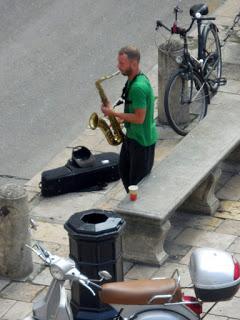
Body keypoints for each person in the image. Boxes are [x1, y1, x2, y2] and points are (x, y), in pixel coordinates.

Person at [101, 46, 158, 192]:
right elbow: (134, 112)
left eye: (122, 63)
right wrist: (121, 120)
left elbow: (139, 118)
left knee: (137, 187)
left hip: (142, 142)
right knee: (125, 172)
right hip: (132, 138)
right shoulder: (131, 81)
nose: (118, 67)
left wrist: (113, 114)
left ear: (133, 64)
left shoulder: (138, 87)